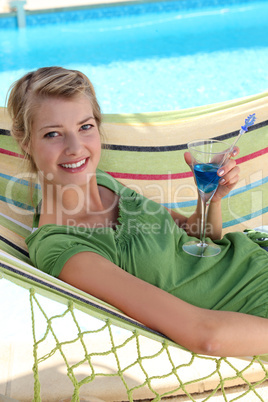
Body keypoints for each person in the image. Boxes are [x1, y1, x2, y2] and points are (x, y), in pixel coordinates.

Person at [7, 66, 268, 358]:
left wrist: (211, 199)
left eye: (85, 127)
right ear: (25, 142)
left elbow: (197, 237)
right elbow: (206, 337)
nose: (75, 148)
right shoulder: (64, 249)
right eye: (53, 134)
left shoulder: (102, 180)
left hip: (256, 251)